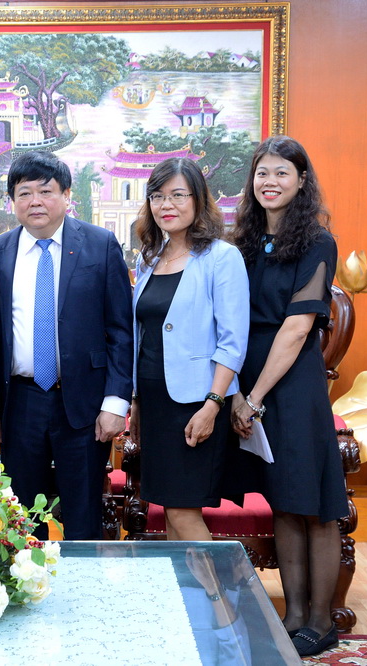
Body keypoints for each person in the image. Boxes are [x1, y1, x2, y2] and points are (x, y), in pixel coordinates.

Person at [229, 136, 348, 657]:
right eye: (262, 173)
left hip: (292, 382)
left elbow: (299, 327)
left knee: (313, 503)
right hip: (249, 377)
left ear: (301, 181)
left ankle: (321, 621)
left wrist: (252, 397)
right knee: (283, 498)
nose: (270, 182)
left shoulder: (317, 242)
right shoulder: (244, 241)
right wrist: (236, 390)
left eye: (281, 173)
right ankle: (293, 615)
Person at [0, 151, 132, 540]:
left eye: (46, 191)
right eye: (24, 193)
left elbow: (120, 330)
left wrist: (115, 403)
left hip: (84, 402)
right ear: (12, 201)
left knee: (83, 515)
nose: (35, 201)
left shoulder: (99, 245)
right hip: (19, 402)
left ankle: (84, 580)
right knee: (21, 520)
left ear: (66, 195)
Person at [131, 157, 249, 541]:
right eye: (157, 196)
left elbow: (232, 341)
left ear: (198, 199)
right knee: (169, 511)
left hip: (196, 403)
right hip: (155, 403)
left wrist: (213, 404)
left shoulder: (221, 257)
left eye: (178, 195)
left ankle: (217, 584)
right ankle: (187, 584)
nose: (166, 205)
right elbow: (144, 334)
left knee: (183, 512)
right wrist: (136, 399)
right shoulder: (150, 258)